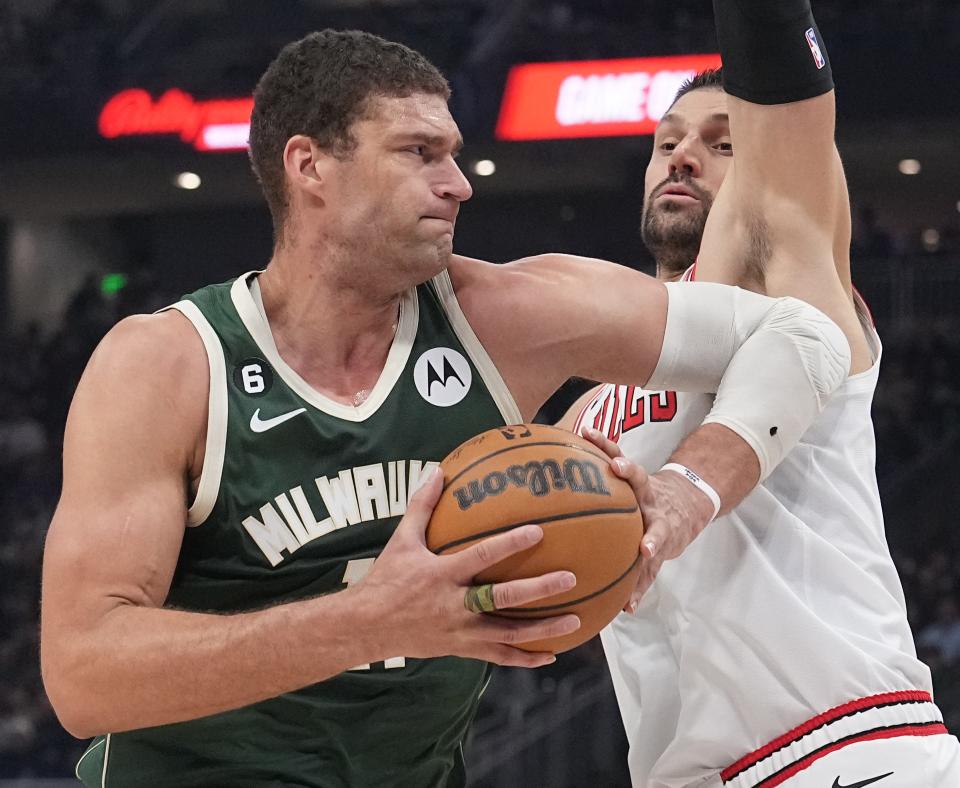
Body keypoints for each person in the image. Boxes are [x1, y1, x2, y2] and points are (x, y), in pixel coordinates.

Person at [39, 29, 851, 788]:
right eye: (420, 154)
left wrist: (685, 494)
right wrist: (369, 621)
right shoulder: (168, 363)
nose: (459, 183)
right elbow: (85, 672)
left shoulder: (503, 318)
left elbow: (808, 338)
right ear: (310, 166)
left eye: (455, 155)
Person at [563, 2, 960, 785]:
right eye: (667, 141)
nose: (683, 157)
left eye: (721, 144)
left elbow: (783, 84)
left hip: (843, 745)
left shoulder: (782, 275)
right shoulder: (594, 403)